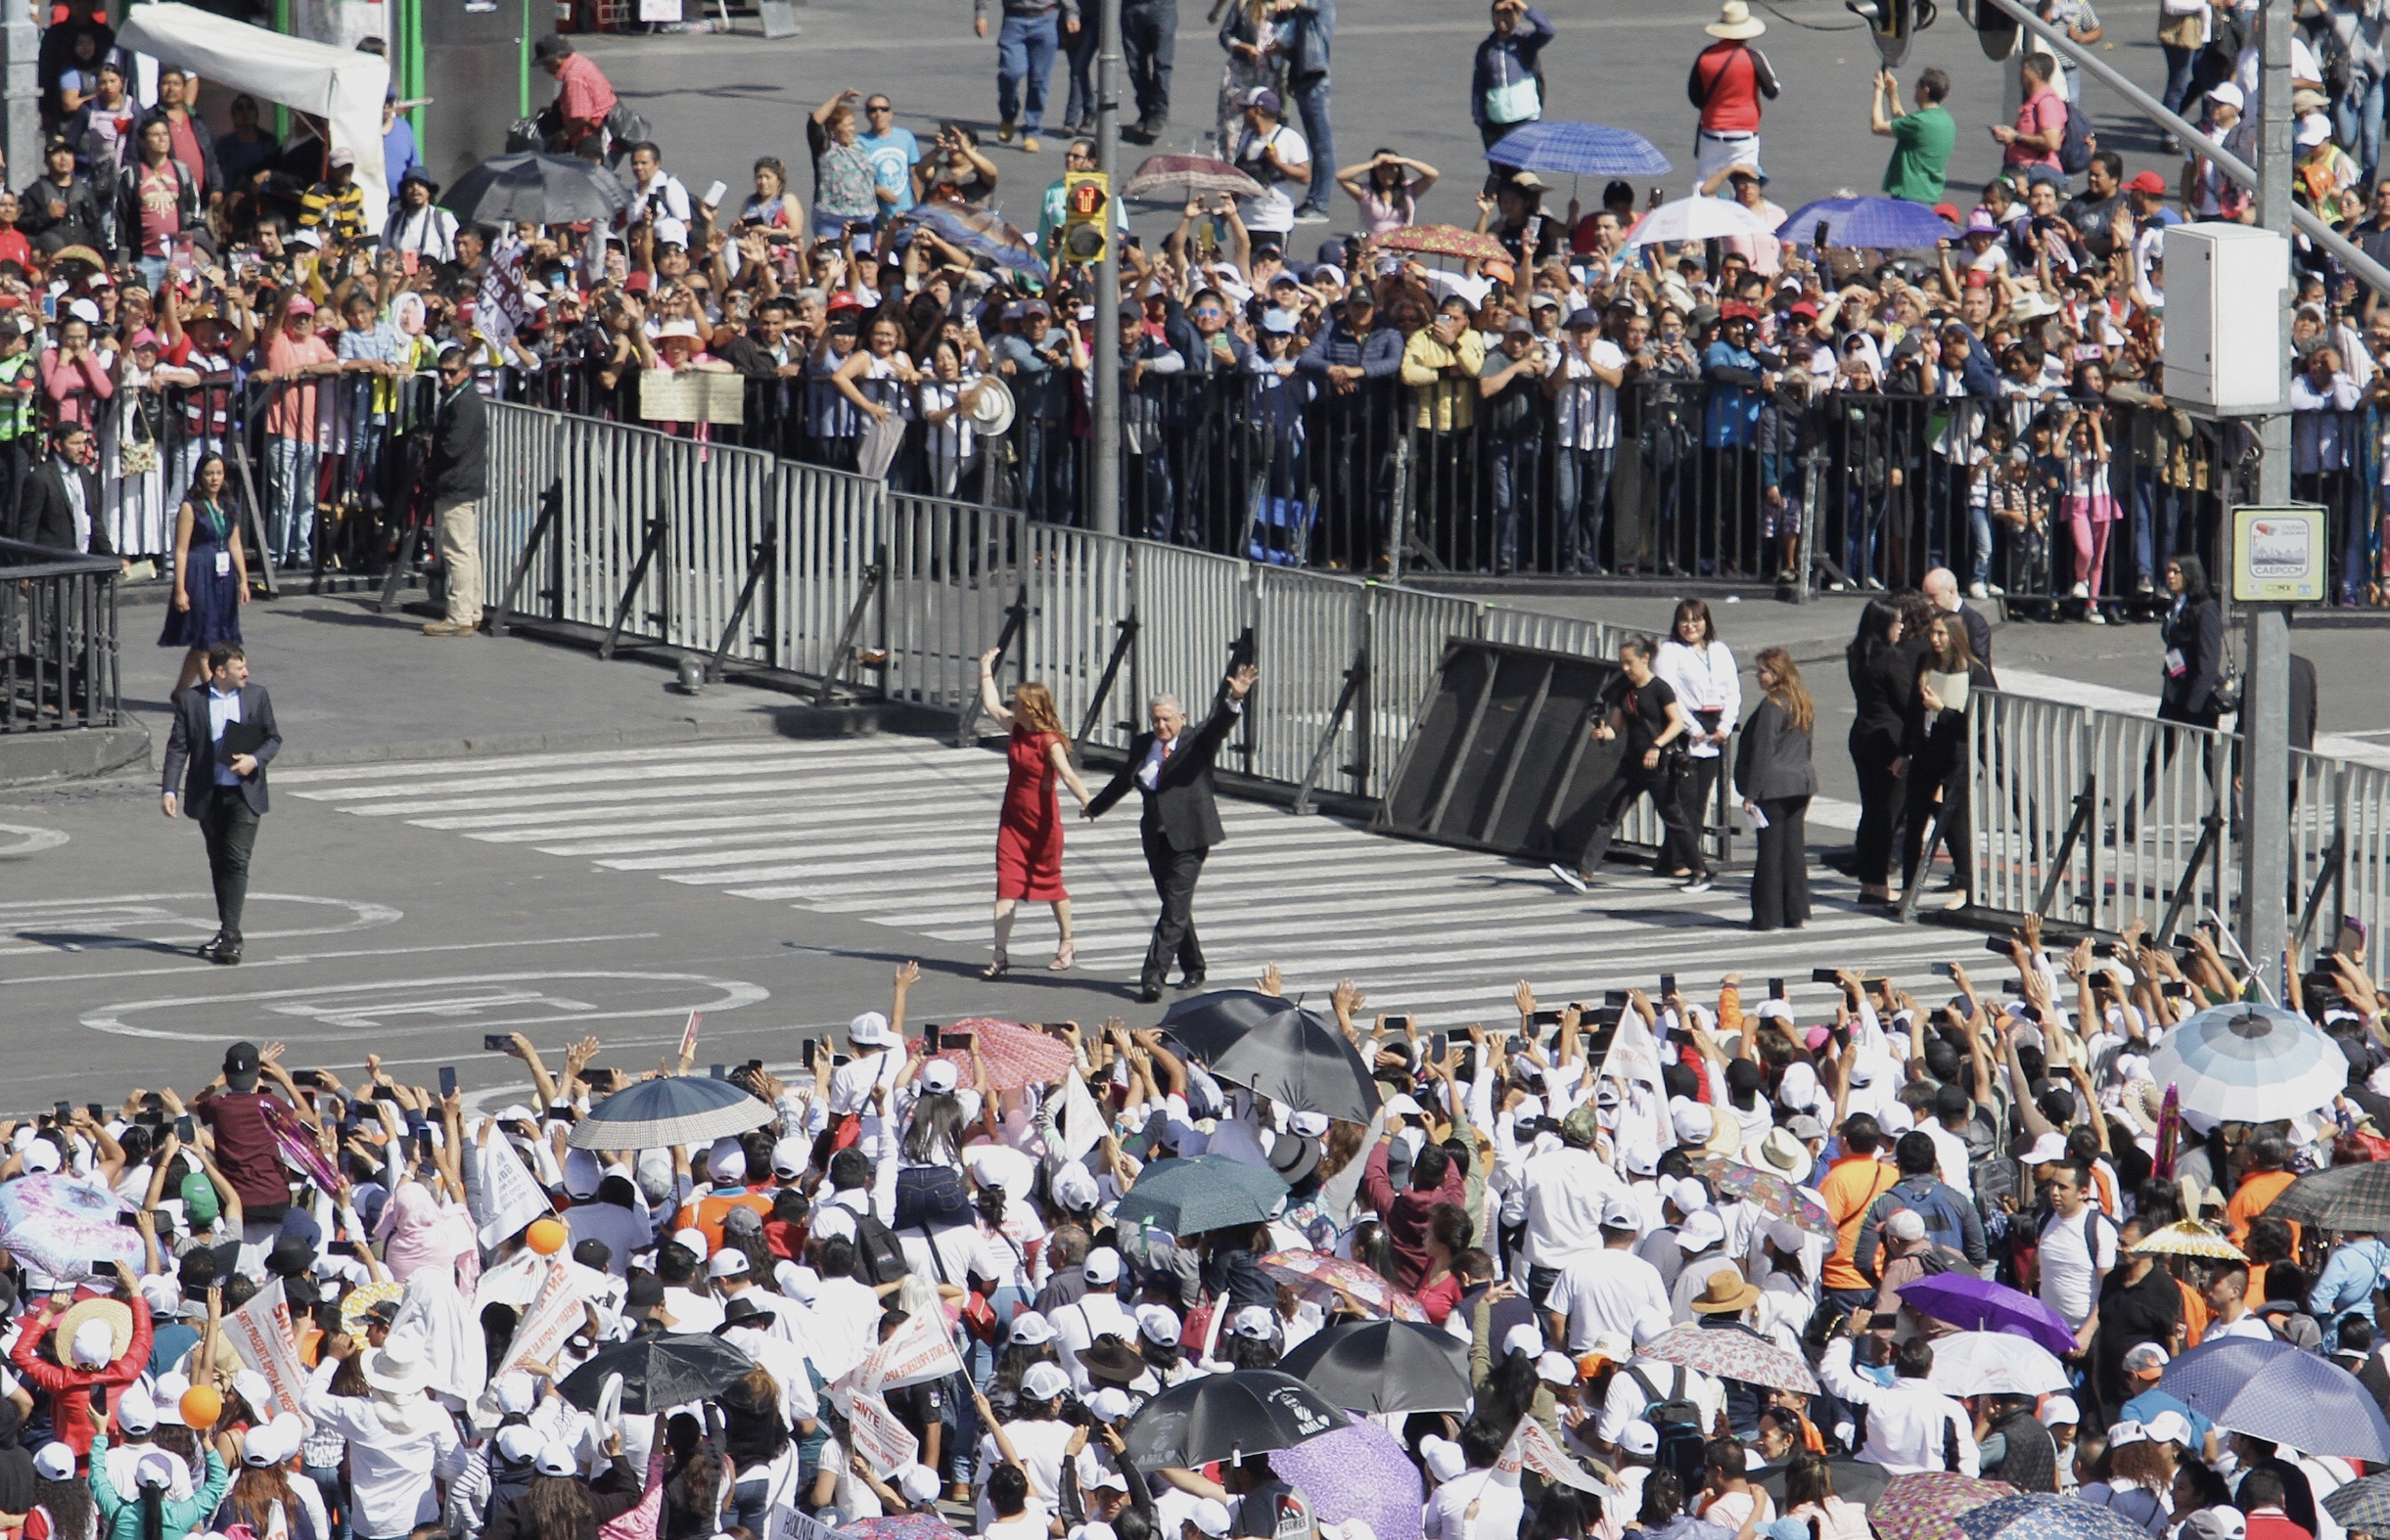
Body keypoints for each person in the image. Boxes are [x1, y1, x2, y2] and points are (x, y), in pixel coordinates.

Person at [1083, 663, 1261, 1002]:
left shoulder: (1197, 741)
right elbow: (1124, 780)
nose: (1161, 726)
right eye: (1155, 720)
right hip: (1156, 836)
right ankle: (1194, 966)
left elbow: (1219, 725)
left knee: (1175, 906)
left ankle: (1153, 977)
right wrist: (1095, 807)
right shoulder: (1143, 745)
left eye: (1167, 719)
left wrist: (1234, 698)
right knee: (1174, 906)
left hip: (1191, 836)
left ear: (1182, 717)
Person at [1549, 633, 1709, 896]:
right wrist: (1605, 733)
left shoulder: (1660, 689)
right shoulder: (1625, 689)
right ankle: (1584, 874)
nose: (1624, 668)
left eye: (1629, 662)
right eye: (1622, 662)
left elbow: (1677, 723)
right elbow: (1617, 727)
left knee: (1674, 817)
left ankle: (1700, 871)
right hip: (1631, 763)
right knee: (1609, 815)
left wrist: (1657, 746)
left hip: (1656, 764)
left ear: (1645, 659)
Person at [977, 648, 1095, 978]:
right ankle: (1000, 954)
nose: (1013, 707)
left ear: (1032, 708)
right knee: (1006, 885)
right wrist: (986, 668)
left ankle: (1067, 941)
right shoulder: (1017, 728)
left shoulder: (1049, 741)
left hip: (1042, 824)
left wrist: (1089, 802)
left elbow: (1069, 775)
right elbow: (991, 705)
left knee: (1052, 885)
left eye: (1019, 703)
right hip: (1012, 821)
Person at [160, 643, 281, 966]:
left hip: (244, 793)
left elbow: (273, 739)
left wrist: (254, 760)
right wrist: (169, 789)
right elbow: (177, 748)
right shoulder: (192, 701)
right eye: (240, 668)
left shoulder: (257, 696)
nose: (247, 673)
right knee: (218, 861)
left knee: (236, 859)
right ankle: (227, 928)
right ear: (220, 671)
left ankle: (230, 935)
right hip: (208, 793)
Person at [1897, 610, 1992, 910]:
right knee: (1914, 822)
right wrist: (1904, 752)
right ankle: (1908, 888)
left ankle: (1966, 888)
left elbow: (1975, 724)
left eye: (1941, 634)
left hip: (1955, 755)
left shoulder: (1975, 671)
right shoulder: (1926, 662)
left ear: (1956, 637)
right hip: (1925, 752)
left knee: (1955, 824)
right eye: (1932, 633)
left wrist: (1942, 710)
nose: (1934, 640)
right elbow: (1913, 711)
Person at [1654, 599, 1738, 883]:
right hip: (1687, 731)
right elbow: (1668, 694)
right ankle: (1681, 860)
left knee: (1701, 800)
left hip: (1715, 730)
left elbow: (1733, 692)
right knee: (1685, 800)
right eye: (1685, 621)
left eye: (1697, 620)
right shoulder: (1670, 651)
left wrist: (1725, 726)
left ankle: (1675, 858)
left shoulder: (1720, 650)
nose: (1691, 627)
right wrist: (1691, 727)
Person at [1734, 646, 1815, 931]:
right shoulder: (1801, 700)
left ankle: (1766, 915)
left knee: (1769, 852)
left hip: (1775, 785)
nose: (1759, 676)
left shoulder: (1772, 705)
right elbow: (1806, 745)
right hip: (1801, 781)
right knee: (1793, 850)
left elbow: (1762, 752)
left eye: (1763, 671)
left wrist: (1751, 792)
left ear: (1777, 673)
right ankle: (1795, 912)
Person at [159, 452, 246, 697]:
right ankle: (213, 694)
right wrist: (180, 589)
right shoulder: (190, 507)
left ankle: (180, 691)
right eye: (209, 473)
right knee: (205, 639)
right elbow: (182, 550)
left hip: (223, 576)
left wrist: (244, 579)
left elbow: (235, 543)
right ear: (200, 476)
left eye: (218, 473)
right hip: (199, 573)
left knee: (214, 638)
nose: (214, 478)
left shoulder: (228, 505)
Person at [1844, 597, 1910, 906]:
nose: (1901, 628)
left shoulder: (1857, 654)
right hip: (1889, 740)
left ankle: (1869, 881)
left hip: (1862, 735)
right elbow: (1907, 703)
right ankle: (1880, 883)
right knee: (1888, 815)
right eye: (1897, 622)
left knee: (1871, 810)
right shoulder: (1892, 659)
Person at [424, 345, 487, 638]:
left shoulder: (465, 403)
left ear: (465, 371)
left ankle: (460, 616)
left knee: (457, 551)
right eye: (442, 372)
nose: (446, 378)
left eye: (452, 372)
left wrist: (430, 458)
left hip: (456, 482)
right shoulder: (460, 398)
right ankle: (472, 612)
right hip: (462, 481)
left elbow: (453, 446)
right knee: (468, 550)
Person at [1688, 2, 1778, 182]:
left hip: (1711, 132)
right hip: (1743, 135)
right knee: (1745, 184)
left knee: (1705, 185)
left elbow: (1694, 95)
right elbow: (1772, 91)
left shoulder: (1705, 56)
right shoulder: (1753, 57)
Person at [974, 0, 1076, 153]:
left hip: (1045, 18)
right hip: (1014, 19)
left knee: (1039, 80)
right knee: (1011, 72)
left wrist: (1072, 13)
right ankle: (1008, 114)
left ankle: (1032, 130)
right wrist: (981, 14)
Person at [14, 419, 111, 556]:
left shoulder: (84, 473)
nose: (82, 449)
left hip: (84, 559)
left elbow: (94, 519)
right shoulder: (41, 478)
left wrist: (111, 557)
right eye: (75, 444)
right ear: (58, 445)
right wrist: (25, 570)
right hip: (54, 563)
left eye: (83, 443)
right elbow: (28, 527)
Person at [1472, 0, 1554, 155]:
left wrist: (1521, 5)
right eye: (1498, 13)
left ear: (1517, 16)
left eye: (1508, 12)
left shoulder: (1526, 42)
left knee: (1524, 172)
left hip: (1525, 120)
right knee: (1499, 174)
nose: (1502, 17)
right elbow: (1479, 85)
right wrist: (1480, 119)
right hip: (1495, 122)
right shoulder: (1486, 48)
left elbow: (1548, 30)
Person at [1278, 0, 1335, 221]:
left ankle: (1319, 203)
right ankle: (1313, 200)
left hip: (1315, 80)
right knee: (1316, 144)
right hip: (1303, 79)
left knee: (1322, 146)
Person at [1871, 68, 1954, 204]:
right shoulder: (1945, 120)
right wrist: (1892, 92)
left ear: (1925, 90)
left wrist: (1878, 90)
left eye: (1917, 85)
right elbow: (1904, 123)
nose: (1915, 88)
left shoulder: (1920, 122)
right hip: (1929, 194)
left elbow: (1877, 126)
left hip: (1909, 194)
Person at [533, 35, 618, 155]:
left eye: (546, 64)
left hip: (592, 142)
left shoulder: (574, 77)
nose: (546, 70)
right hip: (604, 131)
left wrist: (564, 135)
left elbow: (581, 118)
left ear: (558, 60)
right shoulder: (580, 62)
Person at [1995, 54, 2069, 173]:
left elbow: (2052, 142)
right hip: (2019, 169)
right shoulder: (2034, 101)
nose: (2021, 75)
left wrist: (2016, 136)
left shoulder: (2047, 103)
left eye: (2025, 71)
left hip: (2037, 172)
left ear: (2038, 74)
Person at [1338, 149, 1438, 234]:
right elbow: (1341, 176)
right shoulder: (1366, 192)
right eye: (1381, 169)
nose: (1387, 173)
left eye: (1391, 169)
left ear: (1398, 171)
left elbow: (1432, 175)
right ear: (1375, 172)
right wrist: (1372, 163)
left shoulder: (1409, 190)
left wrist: (1406, 161)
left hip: (1402, 250)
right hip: (1375, 250)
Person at [1121, 0, 1175, 143]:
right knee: (1135, 66)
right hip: (1131, 6)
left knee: (1162, 64)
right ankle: (1146, 111)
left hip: (1161, 6)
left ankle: (1159, 113)